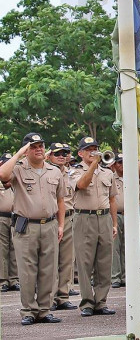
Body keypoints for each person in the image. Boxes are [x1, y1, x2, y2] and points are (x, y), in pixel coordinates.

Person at [0, 133, 66, 325]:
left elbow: (61, 200)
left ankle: (44, 310)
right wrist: (19, 154)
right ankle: (28, 310)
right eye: (33, 146)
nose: (39, 149)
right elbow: (3, 175)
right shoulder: (19, 170)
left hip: (50, 225)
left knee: (48, 270)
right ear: (27, 150)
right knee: (27, 271)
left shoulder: (54, 171)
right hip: (26, 227)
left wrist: (61, 225)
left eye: (41, 145)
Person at [70, 136, 118, 317]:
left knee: (104, 262)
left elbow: (112, 198)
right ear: (80, 153)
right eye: (88, 149)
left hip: (103, 218)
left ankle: (101, 301)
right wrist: (93, 165)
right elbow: (82, 185)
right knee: (85, 262)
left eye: (95, 148)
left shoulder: (107, 173)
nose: (93, 152)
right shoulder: (74, 171)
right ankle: (87, 302)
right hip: (84, 218)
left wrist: (114, 223)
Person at [46, 143, 77, 310]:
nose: (61, 156)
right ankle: (48, 298)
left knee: (67, 260)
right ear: (49, 155)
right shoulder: (45, 171)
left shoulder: (71, 172)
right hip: (52, 219)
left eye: (64, 153)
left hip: (69, 218)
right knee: (49, 261)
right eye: (57, 153)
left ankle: (63, 296)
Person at [0, 152, 19, 294]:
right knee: (2, 248)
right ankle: (3, 280)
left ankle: (14, 279)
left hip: (15, 216)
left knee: (15, 248)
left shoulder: (16, 179)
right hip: (1, 217)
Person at [110, 153, 126, 289]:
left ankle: (126, 275)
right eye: (119, 162)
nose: (122, 165)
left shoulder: (133, 176)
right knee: (115, 246)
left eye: (124, 162)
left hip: (131, 215)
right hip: (116, 215)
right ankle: (116, 276)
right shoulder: (110, 177)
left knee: (129, 247)